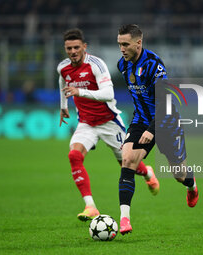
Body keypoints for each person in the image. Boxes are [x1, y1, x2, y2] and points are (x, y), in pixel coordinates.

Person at [58, 28, 159, 221]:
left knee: (127, 165)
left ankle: (147, 172)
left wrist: (79, 93)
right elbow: (62, 80)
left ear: (84, 47)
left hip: (109, 122)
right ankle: (90, 206)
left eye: (76, 47)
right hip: (86, 123)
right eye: (68, 48)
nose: (72, 52)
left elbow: (108, 95)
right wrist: (63, 106)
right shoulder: (63, 67)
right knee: (74, 156)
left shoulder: (96, 65)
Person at [116, 24, 199, 235]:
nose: (122, 49)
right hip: (140, 120)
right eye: (119, 45)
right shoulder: (122, 65)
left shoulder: (154, 65)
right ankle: (124, 219)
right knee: (127, 160)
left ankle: (192, 185)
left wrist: (153, 130)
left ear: (138, 43)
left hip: (166, 122)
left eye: (126, 44)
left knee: (179, 174)